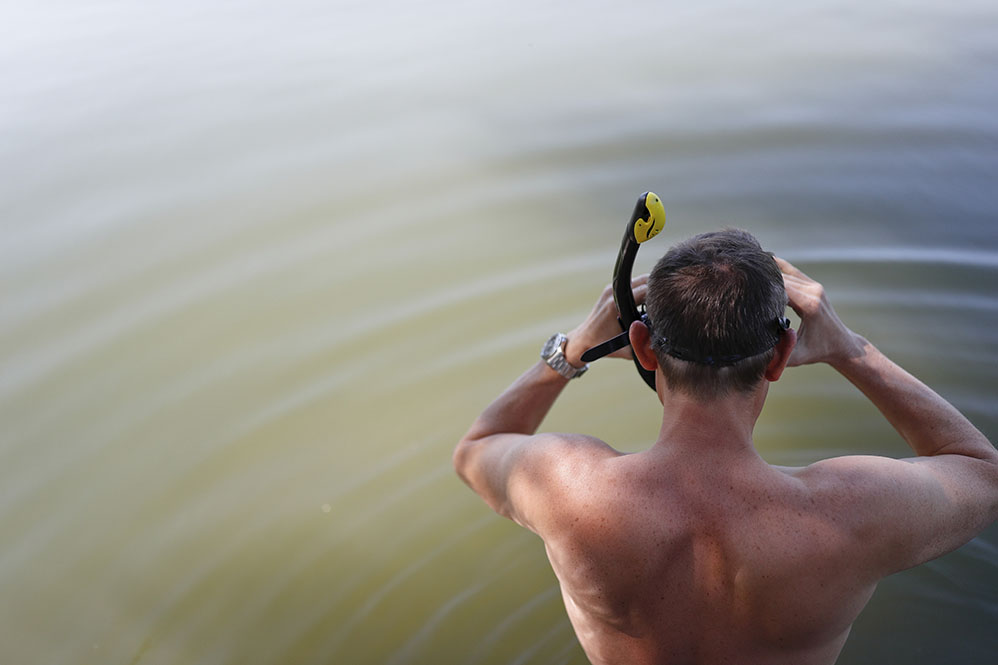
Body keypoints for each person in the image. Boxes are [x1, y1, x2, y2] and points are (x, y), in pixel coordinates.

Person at [452, 229, 998, 665]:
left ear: (643, 347)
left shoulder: (567, 487)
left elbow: (476, 448)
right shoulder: (851, 511)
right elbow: (984, 474)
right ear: (781, 355)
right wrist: (852, 351)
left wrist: (572, 350)